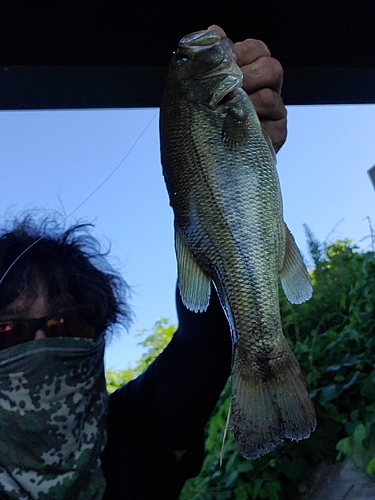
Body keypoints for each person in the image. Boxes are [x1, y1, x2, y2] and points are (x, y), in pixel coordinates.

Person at [0, 25, 287, 500]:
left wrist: (240, 179)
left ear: (99, 331)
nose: (43, 341)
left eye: (69, 322)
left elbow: (204, 344)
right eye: (7, 331)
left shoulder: (140, 426)